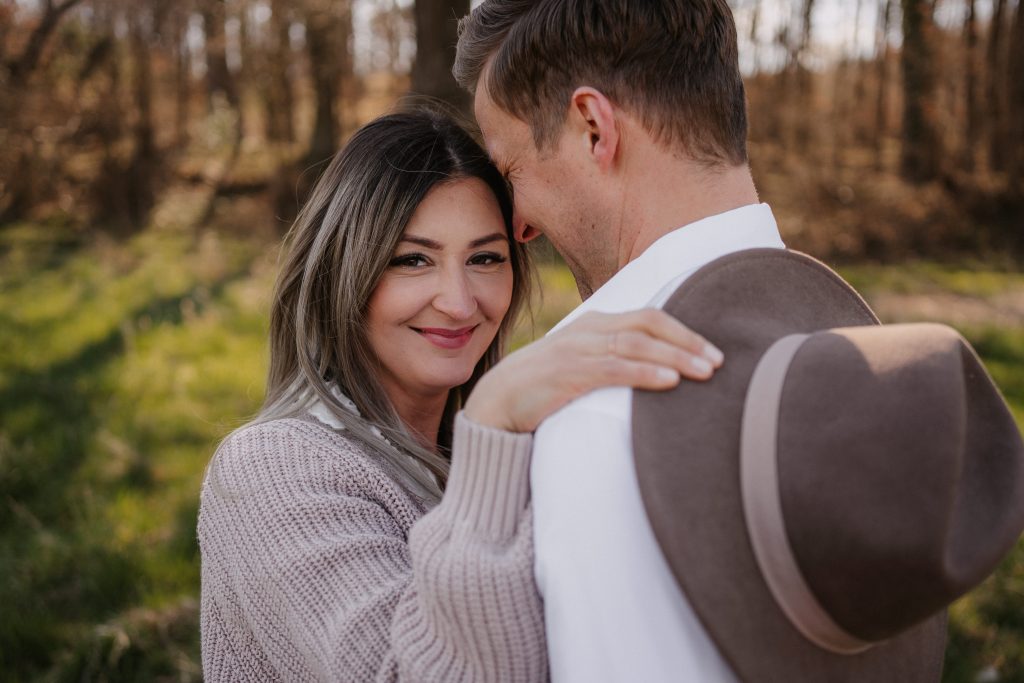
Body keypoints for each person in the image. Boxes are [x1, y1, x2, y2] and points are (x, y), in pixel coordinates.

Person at [454, 2, 1024, 682]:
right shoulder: (852, 367)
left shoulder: (602, 417)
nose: (518, 226)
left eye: (511, 170)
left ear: (591, 127)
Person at [198, 110, 724, 682]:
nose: (458, 301)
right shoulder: (270, 469)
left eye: (484, 259)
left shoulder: (522, 449)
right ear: (343, 272)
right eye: (412, 260)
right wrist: (495, 425)